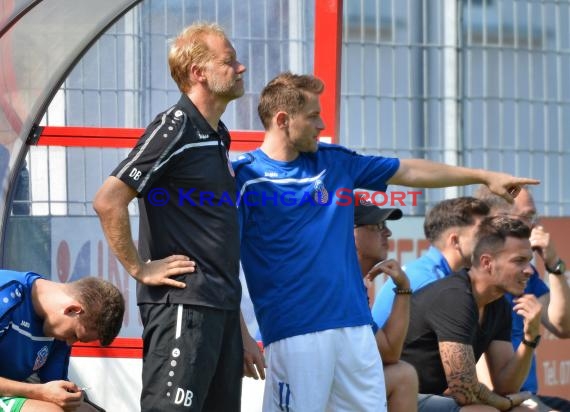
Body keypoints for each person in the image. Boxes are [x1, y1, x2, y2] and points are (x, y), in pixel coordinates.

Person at [233, 71, 539, 411]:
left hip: (355, 331)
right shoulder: (246, 178)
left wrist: (482, 176)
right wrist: (243, 334)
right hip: (296, 334)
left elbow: (408, 171)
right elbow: (223, 263)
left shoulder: (335, 161)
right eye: (313, 116)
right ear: (282, 120)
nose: (322, 124)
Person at [93, 22, 263, 412]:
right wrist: (139, 268)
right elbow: (108, 200)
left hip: (219, 311)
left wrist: (240, 331)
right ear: (198, 73)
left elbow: (212, 246)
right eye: (229, 60)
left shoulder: (218, 134)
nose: (241, 68)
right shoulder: (175, 126)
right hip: (183, 309)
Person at [401, 216, 540, 411]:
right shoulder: (455, 298)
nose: (529, 271)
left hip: (436, 398)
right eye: (519, 261)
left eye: (529, 261)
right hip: (396, 399)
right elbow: (464, 392)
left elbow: (505, 386)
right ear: (487, 262)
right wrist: (504, 403)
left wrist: (530, 339)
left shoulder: (497, 303)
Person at [475, 186, 570, 412]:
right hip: (502, 401)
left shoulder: (526, 274)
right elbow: (485, 383)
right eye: (527, 216)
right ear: (498, 219)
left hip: (525, 396)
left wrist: (554, 264)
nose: (534, 226)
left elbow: (562, 326)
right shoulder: (477, 281)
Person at [0, 270, 124, 412]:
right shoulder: (5, 296)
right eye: (75, 335)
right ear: (72, 309)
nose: (70, 343)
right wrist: (39, 392)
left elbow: (53, 386)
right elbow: (43, 392)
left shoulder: (58, 331)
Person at [372, 197, 490, 328]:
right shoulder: (431, 282)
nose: (491, 239)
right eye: (482, 233)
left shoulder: (429, 273)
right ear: (455, 241)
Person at [353, 201, 418, 412]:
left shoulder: (352, 283)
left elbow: (389, 352)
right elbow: (390, 353)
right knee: (403, 376)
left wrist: (403, 287)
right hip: (291, 378)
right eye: (378, 225)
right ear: (351, 234)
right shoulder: (340, 283)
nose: (388, 232)